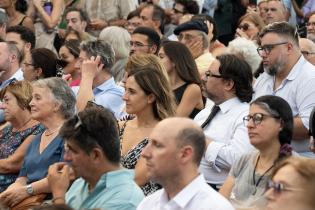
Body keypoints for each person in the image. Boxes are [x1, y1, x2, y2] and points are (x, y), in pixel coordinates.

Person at [47, 103, 144, 210]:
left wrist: (58, 197)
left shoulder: (125, 199)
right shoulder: (81, 183)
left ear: (95, 155)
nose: (66, 157)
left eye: (73, 151)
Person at [0, 78, 76, 208]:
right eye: (32, 98)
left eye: (37, 98)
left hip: (55, 203)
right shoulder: (37, 138)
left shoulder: (71, 134)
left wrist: (27, 190)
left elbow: (63, 175)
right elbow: (22, 178)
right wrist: (8, 195)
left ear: (57, 104)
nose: (31, 103)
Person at [138, 117, 234, 210]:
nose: (144, 153)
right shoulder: (147, 204)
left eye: (158, 145)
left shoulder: (215, 207)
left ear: (185, 154)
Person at [219, 95, 294, 209]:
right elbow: (219, 203)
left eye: (258, 118)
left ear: (281, 124)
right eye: (248, 118)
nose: (249, 125)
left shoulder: (294, 168)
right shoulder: (243, 160)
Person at [254, 21, 315, 157]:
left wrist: (265, 122)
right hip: (263, 157)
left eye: (268, 48)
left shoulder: (311, 78)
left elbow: (307, 126)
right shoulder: (265, 77)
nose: (263, 54)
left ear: (288, 48)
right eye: (261, 48)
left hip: (300, 162)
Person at [194, 54, 254, 189]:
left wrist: (200, 139)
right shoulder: (204, 114)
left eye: (209, 74)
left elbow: (238, 159)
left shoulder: (246, 115)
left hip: (220, 193)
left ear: (228, 84)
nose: (203, 78)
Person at [120, 65, 176, 195]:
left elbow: (138, 179)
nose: (124, 97)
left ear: (150, 97)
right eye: (125, 90)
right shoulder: (119, 125)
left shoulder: (164, 134)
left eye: (132, 92)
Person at [0, 81, 43, 192]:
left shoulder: (38, 129)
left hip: (11, 190)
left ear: (22, 101)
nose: (2, 106)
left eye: (6, 100)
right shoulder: (8, 126)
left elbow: (10, 164)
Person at [75, 40, 124, 119]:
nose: (76, 66)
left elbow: (84, 115)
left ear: (98, 63)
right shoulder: (77, 89)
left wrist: (87, 76)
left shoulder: (118, 93)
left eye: (81, 61)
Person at [158, 41, 204, 118]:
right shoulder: (160, 85)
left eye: (161, 57)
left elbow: (174, 121)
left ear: (174, 61)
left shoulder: (192, 89)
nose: (157, 61)